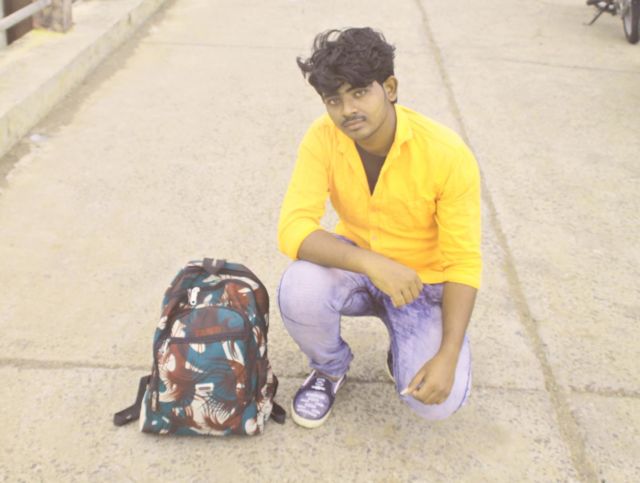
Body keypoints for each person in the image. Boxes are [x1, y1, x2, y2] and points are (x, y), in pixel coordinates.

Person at [277, 27, 481, 428]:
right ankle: (329, 370)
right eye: (333, 100)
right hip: (357, 267)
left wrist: (448, 354)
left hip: (422, 286)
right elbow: (293, 227)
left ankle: (405, 348)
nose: (347, 110)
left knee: (437, 404)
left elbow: (464, 263)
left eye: (359, 93)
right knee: (299, 287)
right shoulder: (322, 138)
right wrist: (371, 263)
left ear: (389, 88)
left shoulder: (447, 154)